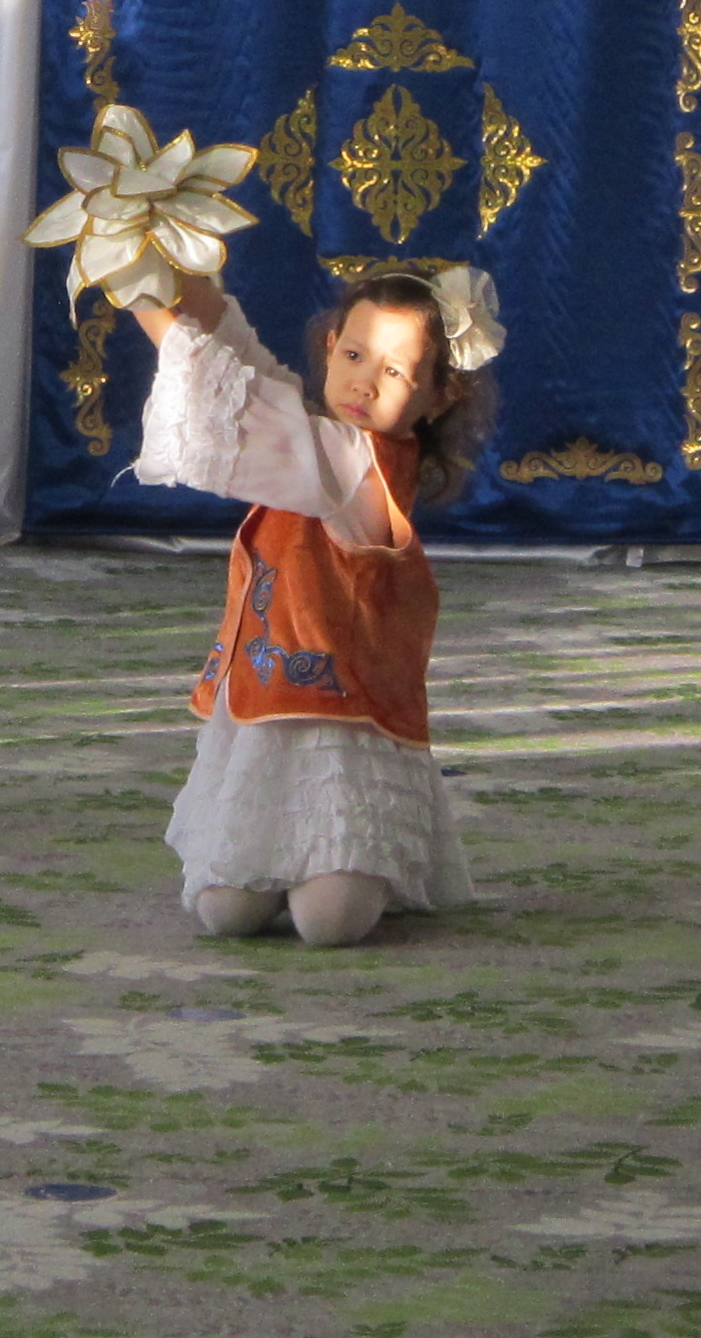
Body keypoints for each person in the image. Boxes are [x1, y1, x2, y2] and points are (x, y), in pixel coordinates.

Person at [124, 262, 497, 949]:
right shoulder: (332, 444)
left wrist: (137, 290)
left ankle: (353, 861)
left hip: (343, 718)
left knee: (329, 925)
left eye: (394, 372)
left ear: (438, 396)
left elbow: (238, 403)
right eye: (354, 355)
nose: (364, 382)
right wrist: (179, 270)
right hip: (269, 703)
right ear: (330, 346)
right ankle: (294, 865)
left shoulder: (352, 460)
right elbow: (247, 366)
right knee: (225, 914)